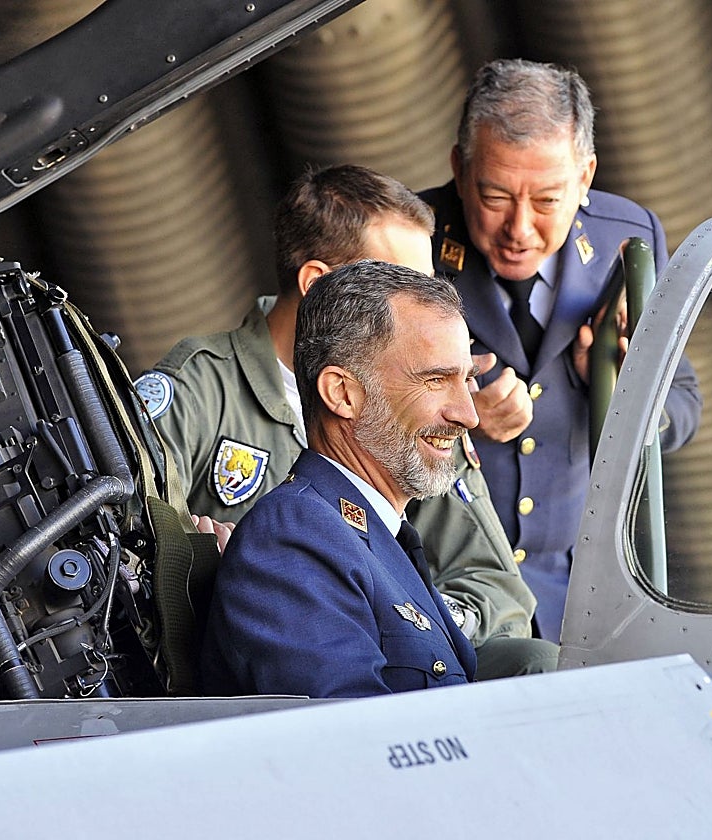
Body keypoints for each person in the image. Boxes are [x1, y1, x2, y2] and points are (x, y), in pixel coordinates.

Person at [136, 164, 557, 680]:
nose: (426, 304)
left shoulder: (426, 406)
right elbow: (131, 559)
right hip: (251, 671)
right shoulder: (200, 388)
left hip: (406, 657)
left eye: (428, 283)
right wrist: (206, 565)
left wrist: (399, 614)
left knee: (540, 664)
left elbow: (498, 588)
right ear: (318, 284)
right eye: (397, 280)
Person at [420, 58, 702, 639]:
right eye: (495, 196)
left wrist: (624, 393)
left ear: (585, 176)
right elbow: (343, 424)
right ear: (459, 169)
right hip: (441, 592)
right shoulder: (406, 240)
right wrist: (454, 423)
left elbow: (684, 405)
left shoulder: (629, 239)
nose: (519, 229)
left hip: (579, 599)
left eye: (547, 200)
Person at [197, 261, 479, 696]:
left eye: (467, 380)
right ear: (343, 394)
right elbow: (347, 731)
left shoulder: (368, 531)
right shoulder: (293, 538)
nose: (468, 415)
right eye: (436, 380)